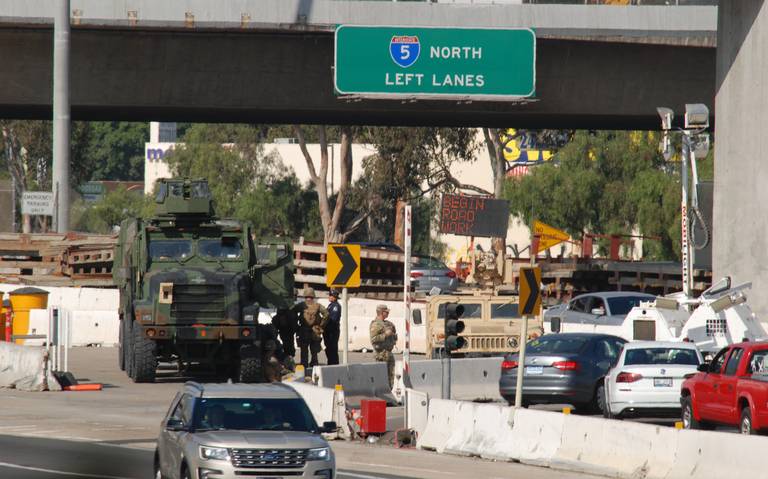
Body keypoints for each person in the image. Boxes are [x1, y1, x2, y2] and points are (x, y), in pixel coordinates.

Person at [292, 287, 329, 368]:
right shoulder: (318, 305)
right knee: (314, 350)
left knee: (304, 350)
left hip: (303, 330)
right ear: (313, 296)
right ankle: (314, 364)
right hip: (315, 330)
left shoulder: (302, 305)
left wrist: (297, 326)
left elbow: (292, 313)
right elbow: (326, 314)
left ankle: (304, 365)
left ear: (305, 295)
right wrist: (321, 325)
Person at [370, 304, 397, 388]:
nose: (388, 313)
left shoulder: (388, 323)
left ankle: (390, 394)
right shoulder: (376, 324)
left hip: (388, 353)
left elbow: (394, 335)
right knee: (380, 378)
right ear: (381, 312)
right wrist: (385, 334)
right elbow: (373, 339)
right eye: (386, 312)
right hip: (380, 354)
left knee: (391, 378)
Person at [324, 289, 342, 365]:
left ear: (335, 297)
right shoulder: (330, 305)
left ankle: (333, 364)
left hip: (332, 331)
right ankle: (330, 363)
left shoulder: (336, 306)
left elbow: (333, 320)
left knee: (332, 349)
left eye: (331, 295)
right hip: (328, 331)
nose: (329, 297)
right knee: (329, 349)